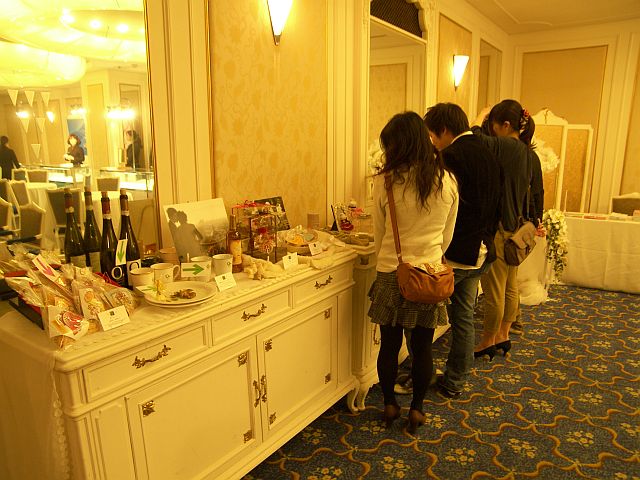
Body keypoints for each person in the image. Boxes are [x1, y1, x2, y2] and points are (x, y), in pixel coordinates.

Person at [368, 111, 458, 433]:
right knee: (422, 349)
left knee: (389, 347)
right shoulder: (447, 181)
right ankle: (417, 409)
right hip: (430, 274)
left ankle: (389, 403)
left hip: (393, 273)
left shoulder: (386, 181)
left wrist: (394, 256)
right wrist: (429, 254)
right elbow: (447, 235)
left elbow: (379, 233)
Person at [423, 103, 502, 398]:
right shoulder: (488, 150)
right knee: (464, 317)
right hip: (482, 248)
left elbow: (442, 209)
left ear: (444, 130)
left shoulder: (452, 156)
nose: (433, 142)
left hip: (457, 253)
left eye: (433, 136)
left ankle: (426, 375)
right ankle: (456, 380)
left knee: (429, 318)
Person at [471, 99, 540, 359]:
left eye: (494, 125)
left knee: (494, 290)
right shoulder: (526, 152)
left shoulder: (508, 146)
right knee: (510, 286)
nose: (492, 130)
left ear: (506, 125)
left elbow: (474, 140)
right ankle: (503, 335)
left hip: (500, 230)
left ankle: (487, 340)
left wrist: (479, 117)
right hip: (515, 228)